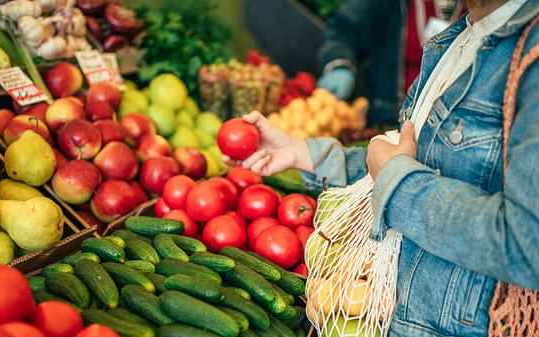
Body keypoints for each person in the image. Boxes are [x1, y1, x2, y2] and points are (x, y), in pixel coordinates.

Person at [224, 0, 539, 336]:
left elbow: (526, 242)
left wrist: (398, 182)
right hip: (392, 314)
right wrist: (302, 153)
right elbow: (411, 165)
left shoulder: (529, 58)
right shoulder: (459, 38)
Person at [317, 0, 465, 126]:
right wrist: (340, 64)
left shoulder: (480, 8)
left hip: (451, 129)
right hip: (390, 121)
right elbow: (343, 31)